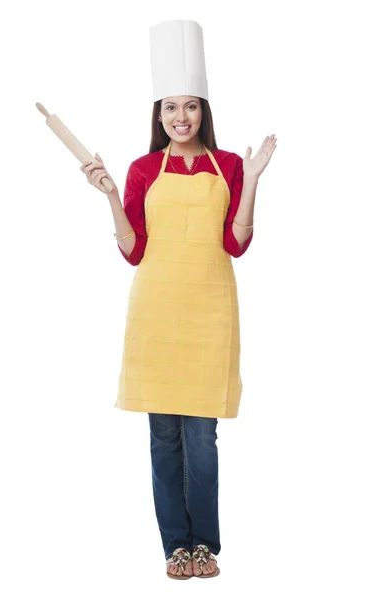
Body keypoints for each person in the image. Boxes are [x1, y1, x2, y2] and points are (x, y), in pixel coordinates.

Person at [80, 20, 277, 580]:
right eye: (171, 107)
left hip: (211, 314)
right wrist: (112, 197)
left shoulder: (230, 167)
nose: (181, 118)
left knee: (202, 439)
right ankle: (176, 546)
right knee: (164, 438)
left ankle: (205, 545)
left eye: (190, 107)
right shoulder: (143, 169)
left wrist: (256, 179)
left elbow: (235, 243)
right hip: (156, 317)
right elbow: (134, 250)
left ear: (203, 111)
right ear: (158, 113)